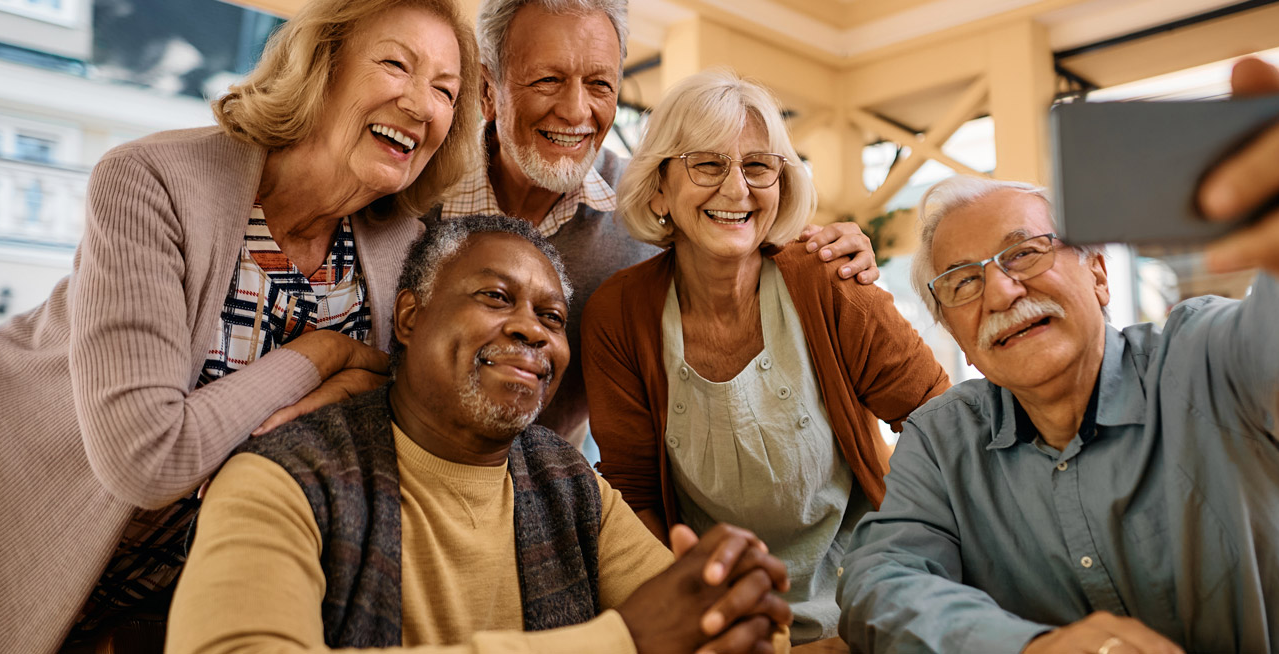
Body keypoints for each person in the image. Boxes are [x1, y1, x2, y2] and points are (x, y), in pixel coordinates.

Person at [0, 0, 482, 651]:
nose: (421, 105)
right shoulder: (153, 180)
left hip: (162, 588)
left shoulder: (403, 249)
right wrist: (317, 357)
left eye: (445, 90)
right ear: (323, 68)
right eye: (396, 65)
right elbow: (148, 457)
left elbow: (387, 414)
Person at [836, 58, 1279, 654]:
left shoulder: (1202, 360)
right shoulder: (944, 438)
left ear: (1097, 272)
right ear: (953, 330)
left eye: (1025, 254)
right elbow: (878, 584)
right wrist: (1031, 649)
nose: (1000, 293)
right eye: (963, 282)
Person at [166, 215, 792, 654]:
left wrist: (742, 603)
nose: (533, 331)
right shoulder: (281, 478)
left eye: (551, 316)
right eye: (496, 297)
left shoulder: (569, 482)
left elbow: (701, 620)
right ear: (410, 317)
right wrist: (620, 643)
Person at [583, 69, 952, 645]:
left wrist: (905, 565)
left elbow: (940, 424)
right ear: (658, 187)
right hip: (725, 622)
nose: (737, 190)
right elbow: (635, 497)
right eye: (707, 164)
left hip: (869, 606)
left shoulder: (828, 278)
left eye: (757, 166)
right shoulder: (618, 313)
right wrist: (697, 618)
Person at [428, 0, 881, 448]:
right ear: (488, 90)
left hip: (549, 487)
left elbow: (744, 234)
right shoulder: (416, 187)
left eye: (600, 84)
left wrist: (832, 250)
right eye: (549, 80)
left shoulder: (654, 201)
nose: (575, 111)